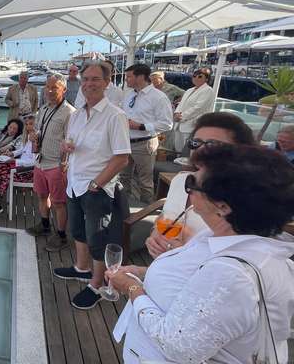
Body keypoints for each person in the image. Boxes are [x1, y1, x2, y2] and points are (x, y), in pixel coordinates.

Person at [108, 144, 294, 364]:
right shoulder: (225, 237)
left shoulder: (234, 275)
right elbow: (199, 283)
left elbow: (177, 347)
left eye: (192, 183)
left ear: (222, 206)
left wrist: (132, 288)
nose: (187, 185)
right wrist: (143, 271)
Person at [54, 61, 131, 310]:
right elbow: (71, 143)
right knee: (77, 231)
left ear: (107, 82)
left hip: (96, 189)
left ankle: (97, 285)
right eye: (85, 79)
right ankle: (81, 268)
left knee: (97, 239)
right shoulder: (76, 116)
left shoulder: (115, 116)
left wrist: (96, 184)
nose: (88, 84)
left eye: (95, 79)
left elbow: (121, 158)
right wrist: (66, 152)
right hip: (74, 184)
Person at [145, 112, 257, 258]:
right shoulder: (180, 181)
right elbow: (165, 217)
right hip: (163, 267)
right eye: (195, 143)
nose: (201, 149)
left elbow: (238, 260)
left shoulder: (244, 200)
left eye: (213, 144)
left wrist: (186, 250)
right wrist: (154, 236)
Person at [26, 74, 75, 244]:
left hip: (56, 164)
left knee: (59, 203)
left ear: (64, 89)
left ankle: (61, 236)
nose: (49, 91)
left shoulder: (70, 113)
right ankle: (45, 225)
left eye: (54, 87)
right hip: (40, 161)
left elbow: (71, 141)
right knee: (41, 196)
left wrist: (64, 165)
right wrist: (33, 136)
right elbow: (38, 129)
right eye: (47, 87)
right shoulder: (44, 109)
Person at [121, 63, 173, 203]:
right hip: (125, 142)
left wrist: (142, 126)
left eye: (129, 76)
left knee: (145, 182)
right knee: (123, 178)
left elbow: (167, 123)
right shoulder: (129, 95)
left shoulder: (158, 97)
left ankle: (144, 214)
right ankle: (124, 210)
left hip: (144, 143)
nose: (126, 80)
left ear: (141, 77)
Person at [0, 116, 37, 216]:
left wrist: (15, 160)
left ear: (37, 124)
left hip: (26, 171)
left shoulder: (37, 139)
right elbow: (22, 150)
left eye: (31, 124)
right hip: (19, 165)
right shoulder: (29, 136)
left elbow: (33, 162)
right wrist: (11, 154)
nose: (28, 126)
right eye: (26, 124)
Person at [173, 68, 216, 153]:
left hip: (192, 125)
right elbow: (181, 104)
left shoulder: (208, 90)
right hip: (180, 124)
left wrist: (181, 116)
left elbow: (198, 108)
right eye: (194, 76)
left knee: (190, 152)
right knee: (178, 149)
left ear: (207, 79)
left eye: (200, 76)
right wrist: (176, 113)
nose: (196, 78)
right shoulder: (189, 90)